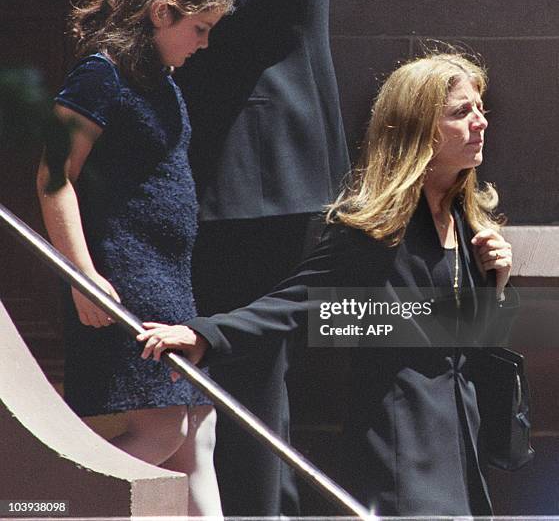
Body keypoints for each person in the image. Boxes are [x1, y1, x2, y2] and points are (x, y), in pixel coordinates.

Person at [137, 52, 518, 516]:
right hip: (404, 440)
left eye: (480, 109)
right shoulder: (377, 227)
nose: (480, 122)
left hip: (461, 437)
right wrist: (204, 335)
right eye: (461, 112)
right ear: (420, 128)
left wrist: (495, 285)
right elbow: (295, 303)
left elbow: (472, 336)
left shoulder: (466, 220)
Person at [85, 0, 350, 515]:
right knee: (216, 382)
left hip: (250, 164)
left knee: (241, 374)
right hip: (246, 169)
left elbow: (244, 3)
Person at [36, 0, 233, 516]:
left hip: (170, 279)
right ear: (161, 10)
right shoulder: (101, 74)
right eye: (198, 27)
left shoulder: (161, 79)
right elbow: (54, 175)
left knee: (199, 431)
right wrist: (82, 274)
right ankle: (39, 497)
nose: (204, 42)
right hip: (123, 276)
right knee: (164, 429)